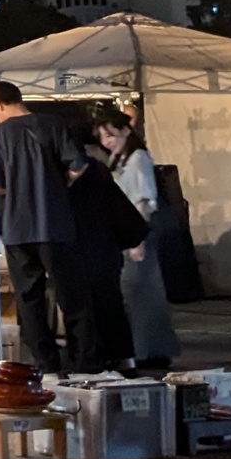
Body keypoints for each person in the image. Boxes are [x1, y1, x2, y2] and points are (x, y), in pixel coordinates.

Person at [0, 81, 77, 373]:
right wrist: (59, 186)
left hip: (16, 228)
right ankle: (85, 359)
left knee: (29, 300)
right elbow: (78, 166)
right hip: (56, 223)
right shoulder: (53, 125)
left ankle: (46, 363)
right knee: (72, 296)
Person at [98, 113, 178, 368]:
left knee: (142, 292)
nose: (106, 141)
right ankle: (144, 350)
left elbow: (145, 199)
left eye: (110, 134)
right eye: (102, 136)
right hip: (129, 232)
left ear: (125, 130)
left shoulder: (138, 158)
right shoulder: (120, 159)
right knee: (136, 293)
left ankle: (150, 351)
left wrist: (137, 240)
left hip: (139, 230)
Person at [59, 136, 142, 374]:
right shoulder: (99, 171)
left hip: (84, 248)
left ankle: (90, 360)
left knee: (85, 307)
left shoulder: (68, 178)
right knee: (110, 304)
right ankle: (124, 360)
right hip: (107, 247)